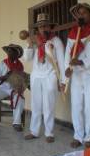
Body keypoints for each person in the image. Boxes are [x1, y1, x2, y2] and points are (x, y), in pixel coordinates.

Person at [63, 3, 90, 148]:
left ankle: (89, 138)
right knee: (76, 106)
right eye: (79, 13)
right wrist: (67, 70)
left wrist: (81, 61)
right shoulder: (73, 33)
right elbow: (67, 54)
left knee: (89, 107)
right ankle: (78, 136)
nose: (81, 15)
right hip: (76, 75)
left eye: (84, 13)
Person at [23, 13, 65, 143]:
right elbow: (27, 58)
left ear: (50, 27)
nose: (43, 29)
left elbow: (62, 62)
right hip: (36, 74)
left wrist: (62, 81)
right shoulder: (35, 40)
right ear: (38, 29)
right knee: (35, 104)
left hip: (50, 74)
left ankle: (49, 132)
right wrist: (29, 45)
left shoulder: (56, 41)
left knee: (49, 104)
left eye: (46, 26)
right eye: (41, 27)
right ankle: (34, 131)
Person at [0, 44, 25, 133]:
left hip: (14, 88)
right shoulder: (2, 63)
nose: (9, 53)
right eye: (8, 51)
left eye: (12, 51)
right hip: (3, 87)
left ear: (17, 54)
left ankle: (17, 123)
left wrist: (19, 88)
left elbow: (22, 80)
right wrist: (4, 77)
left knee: (19, 98)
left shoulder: (20, 65)